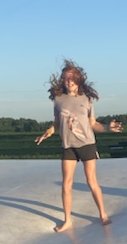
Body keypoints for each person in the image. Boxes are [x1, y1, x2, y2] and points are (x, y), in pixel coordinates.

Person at [35, 60, 122, 232]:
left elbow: (93, 123)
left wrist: (107, 127)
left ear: (79, 79)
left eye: (72, 78)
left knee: (91, 181)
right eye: (66, 78)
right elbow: (57, 122)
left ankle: (103, 214)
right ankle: (68, 220)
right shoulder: (58, 100)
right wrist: (48, 132)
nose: (69, 81)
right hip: (68, 146)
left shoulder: (86, 99)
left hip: (87, 144)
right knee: (66, 183)